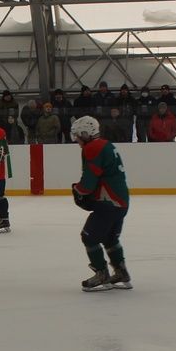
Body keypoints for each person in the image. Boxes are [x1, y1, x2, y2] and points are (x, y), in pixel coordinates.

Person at [69, 116, 132, 292]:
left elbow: (88, 183)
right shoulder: (106, 144)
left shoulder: (92, 147)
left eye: (78, 136)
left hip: (108, 202)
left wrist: (78, 190)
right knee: (110, 239)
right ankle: (121, 273)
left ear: (85, 133)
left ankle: (101, 274)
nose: (77, 140)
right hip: (121, 202)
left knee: (89, 236)